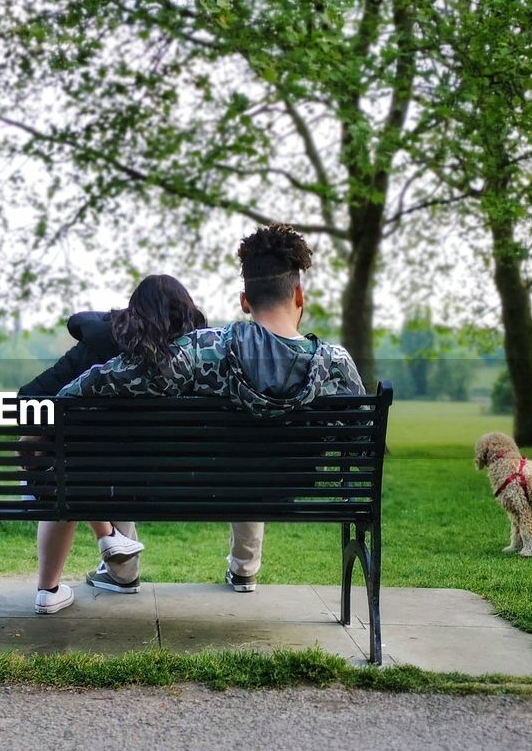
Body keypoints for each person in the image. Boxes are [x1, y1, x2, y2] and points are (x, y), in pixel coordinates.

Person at [56, 224, 365, 593]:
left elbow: (115, 378)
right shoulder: (336, 364)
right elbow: (359, 442)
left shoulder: (206, 349)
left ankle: (122, 569)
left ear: (245, 301)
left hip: (206, 484)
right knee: (255, 467)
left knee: (239, 462)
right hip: (287, 487)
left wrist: (62, 399)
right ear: (299, 295)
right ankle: (244, 569)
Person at [26, 275, 208, 613]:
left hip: (90, 480)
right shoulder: (198, 356)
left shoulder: (97, 345)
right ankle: (110, 538)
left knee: (65, 465)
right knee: (84, 463)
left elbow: (30, 398)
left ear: (132, 310)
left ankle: (49, 590)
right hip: (166, 484)